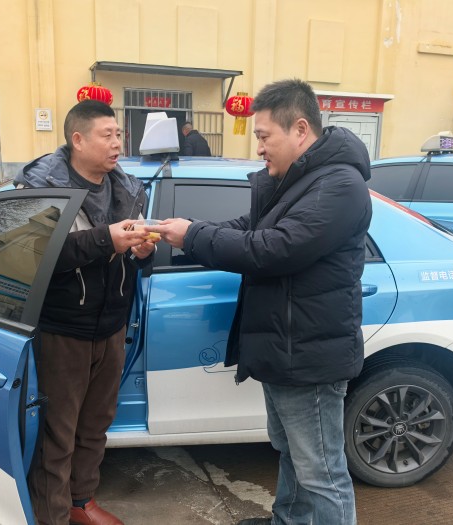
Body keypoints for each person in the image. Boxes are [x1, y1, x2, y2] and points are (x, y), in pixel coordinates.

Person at [147, 79, 371, 525]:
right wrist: (181, 229)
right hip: (286, 348)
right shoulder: (299, 180)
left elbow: (272, 249)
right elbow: (248, 227)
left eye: (265, 136)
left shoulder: (338, 186)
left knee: (321, 473)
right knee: (291, 451)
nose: (259, 148)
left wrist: (192, 235)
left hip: (308, 356)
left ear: (300, 129)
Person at [14, 99, 156, 525]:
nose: (117, 144)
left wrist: (144, 253)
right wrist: (105, 240)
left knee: (95, 425)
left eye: (119, 134)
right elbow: (33, 256)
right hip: (62, 330)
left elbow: (135, 255)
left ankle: (81, 502)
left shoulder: (128, 188)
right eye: (107, 135)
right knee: (58, 432)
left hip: (111, 327)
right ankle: (52, 515)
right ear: (78, 140)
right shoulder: (42, 190)